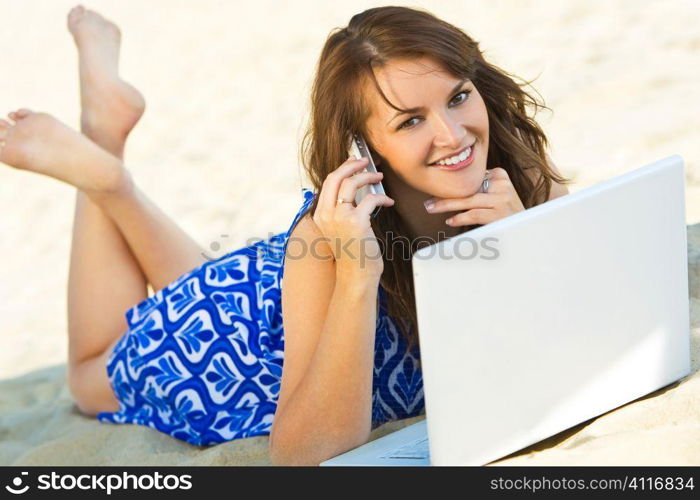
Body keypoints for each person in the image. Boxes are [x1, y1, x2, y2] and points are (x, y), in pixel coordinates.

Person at [0, 6, 571, 465]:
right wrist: (358, 273)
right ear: (362, 148)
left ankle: (109, 148)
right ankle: (106, 171)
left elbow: (582, 327)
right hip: (245, 336)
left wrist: (525, 244)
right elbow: (303, 455)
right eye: (410, 120)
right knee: (88, 377)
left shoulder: (522, 184)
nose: (453, 135)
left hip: (267, 291)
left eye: (458, 96)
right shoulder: (332, 242)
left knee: (195, 283)